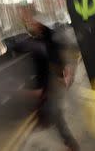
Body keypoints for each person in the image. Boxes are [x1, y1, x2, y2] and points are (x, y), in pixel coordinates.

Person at [23, 12, 80, 151]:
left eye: (32, 23)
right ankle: (69, 142)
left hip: (55, 81)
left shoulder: (49, 37)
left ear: (39, 24)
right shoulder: (44, 37)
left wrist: (63, 74)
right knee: (55, 113)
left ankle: (71, 144)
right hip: (54, 80)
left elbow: (56, 58)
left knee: (56, 114)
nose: (31, 25)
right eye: (29, 23)